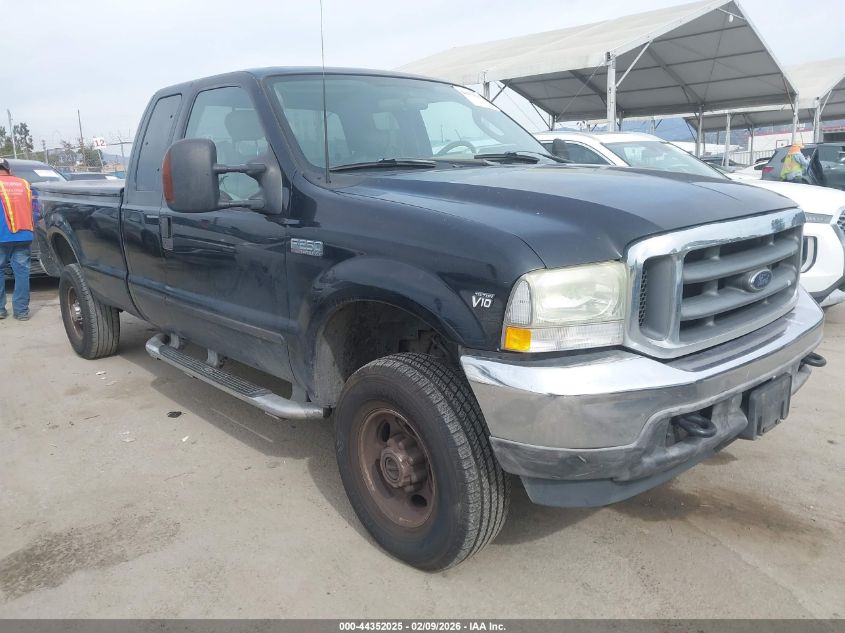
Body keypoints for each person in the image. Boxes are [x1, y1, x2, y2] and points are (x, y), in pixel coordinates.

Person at [0, 159, 34, 320]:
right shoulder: (24, 184)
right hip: (24, 234)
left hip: (1, 236)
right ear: (9, 169)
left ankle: (0, 310)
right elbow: (35, 208)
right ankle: (21, 312)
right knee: (22, 273)